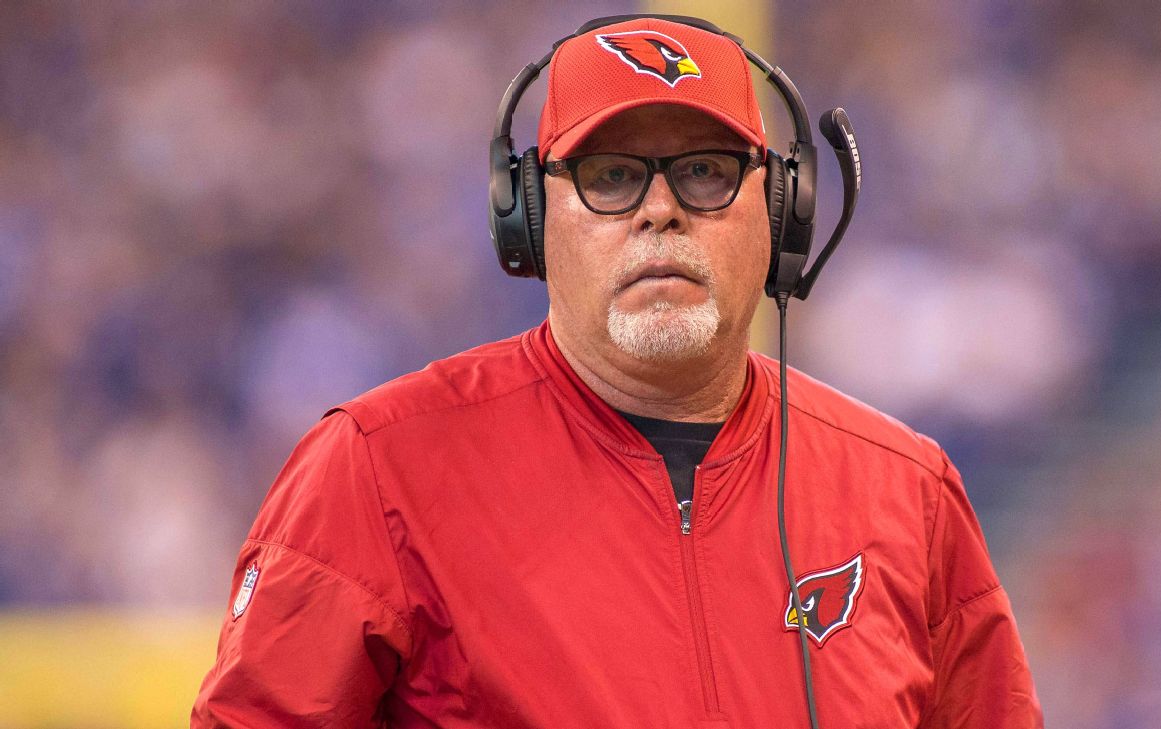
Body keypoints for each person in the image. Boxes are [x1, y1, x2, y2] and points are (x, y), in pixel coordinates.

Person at [192, 15, 1042, 728]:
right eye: (611, 176)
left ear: (780, 210)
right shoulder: (376, 470)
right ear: (529, 217)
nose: (661, 209)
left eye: (706, 172)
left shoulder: (906, 490)